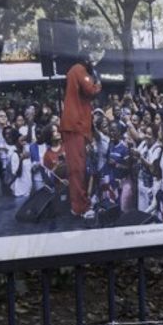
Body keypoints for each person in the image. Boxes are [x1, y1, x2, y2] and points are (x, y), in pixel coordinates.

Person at [62, 52, 102, 217]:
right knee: (77, 169)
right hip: (75, 126)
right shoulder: (79, 70)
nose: (94, 63)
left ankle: (79, 204)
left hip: (77, 126)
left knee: (78, 168)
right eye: (92, 60)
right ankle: (80, 207)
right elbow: (91, 89)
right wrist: (98, 82)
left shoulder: (77, 70)